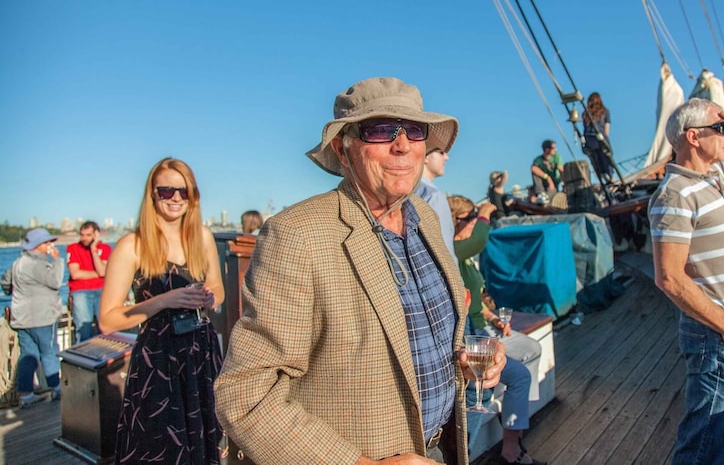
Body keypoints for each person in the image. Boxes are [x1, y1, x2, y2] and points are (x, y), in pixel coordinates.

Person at [214, 76, 505, 465]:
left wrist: (463, 360)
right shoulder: (297, 235)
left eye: (414, 130)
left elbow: (415, 341)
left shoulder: (426, 220)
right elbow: (246, 393)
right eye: (381, 130)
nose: (401, 144)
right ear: (343, 147)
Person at [648, 98, 724, 465]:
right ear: (693, 137)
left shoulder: (715, 176)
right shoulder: (675, 195)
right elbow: (669, 277)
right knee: (706, 447)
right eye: (721, 129)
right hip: (721, 335)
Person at [99, 158, 225, 464]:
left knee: (204, 441)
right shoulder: (132, 245)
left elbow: (218, 288)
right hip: (158, 358)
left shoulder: (202, 237)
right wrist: (165, 300)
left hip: (201, 353)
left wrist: (210, 299)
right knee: (159, 445)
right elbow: (107, 319)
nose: (176, 198)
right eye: (167, 191)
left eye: (185, 191)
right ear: (152, 194)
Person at [448, 195, 545, 465]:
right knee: (519, 376)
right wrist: (485, 212)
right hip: (474, 338)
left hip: (485, 329)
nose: (472, 225)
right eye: (469, 219)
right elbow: (480, 240)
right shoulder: (453, 253)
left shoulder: (465, 260)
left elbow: (476, 300)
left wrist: (494, 319)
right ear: (456, 222)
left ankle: (517, 414)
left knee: (532, 348)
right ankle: (512, 447)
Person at [1, 228, 64, 408]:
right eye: (47, 243)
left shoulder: (17, 264)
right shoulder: (38, 264)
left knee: (28, 356)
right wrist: (58, 260)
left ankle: (25, 394)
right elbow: (55, 281)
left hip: (22, 318)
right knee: (49, 352)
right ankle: (56, 388)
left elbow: (6, 284)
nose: (49, 245)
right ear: (39, 245)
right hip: (43, 317)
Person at [66, 220, 111, 342]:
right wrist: (98, 273)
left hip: (102, 290)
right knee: (83, 328)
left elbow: (103, 271)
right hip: (80, 290)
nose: (84, 238)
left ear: (96, 234)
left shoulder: (105, 249)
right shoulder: (73, 248)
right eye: (82, 235)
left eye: (88, 235)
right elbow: (75, 274)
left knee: (106, 327)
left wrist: (93, 249)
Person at [415, 147, 457, 264]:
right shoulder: (433, 195)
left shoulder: (406, 192)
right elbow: (443, 250)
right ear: (426, 156)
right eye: (441, 152)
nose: (446, 157)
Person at [582, 92, 613, 182]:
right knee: (607, 158)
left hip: (589, 139)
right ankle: (611, 177)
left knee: (595, 159)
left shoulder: (585, 114)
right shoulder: (605, 111)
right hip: (600, 138)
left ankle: (603, 178)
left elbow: (585, 127)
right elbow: (607, 129)